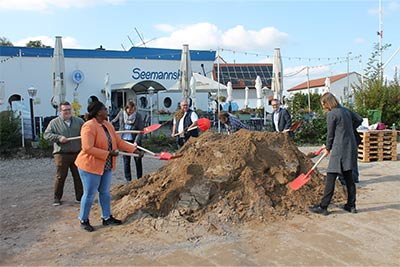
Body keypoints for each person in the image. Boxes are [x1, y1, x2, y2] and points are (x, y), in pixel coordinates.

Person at [75, 101, 138, 232]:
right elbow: (87, 148)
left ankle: (107, 217)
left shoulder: (107, 125)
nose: (107, 110)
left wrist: (133, 150)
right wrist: (108, 153)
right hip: (90, 166)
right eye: (104, 109)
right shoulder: (89, 126)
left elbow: (118, 141)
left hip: (106, 164)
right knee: (89, 194)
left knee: (104, 192)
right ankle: (84, 219)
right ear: (98, 112)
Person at [309, 92, 363, 216]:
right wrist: (349, 128)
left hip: (339, 149)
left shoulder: (332, 114)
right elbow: (359, 119)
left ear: (327, 103)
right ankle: (351, 205)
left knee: (330, 177)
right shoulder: (346, 111)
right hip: (351, 147)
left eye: (323, 104)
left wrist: (328, 148)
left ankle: (323, 207)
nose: (323, 106)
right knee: (349, 177)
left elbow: (330, 134)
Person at [44, 101, 85, 206]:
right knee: (60, 176)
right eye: (65, 110)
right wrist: (58, 138)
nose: (67, 112)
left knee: (78, 176)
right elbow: (47, 135)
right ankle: (57, 198)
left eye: (69, 110)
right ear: (60, 111)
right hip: (62, 154)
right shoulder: (54, 123)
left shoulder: (79, 121)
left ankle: (80, 197)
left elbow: (86, 131)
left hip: (77, 153)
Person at [111, 100, 144, 181]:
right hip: (124, 141)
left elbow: (140, 130)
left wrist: (136, 141)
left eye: (133, 110)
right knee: (126, 161)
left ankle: (140, 178)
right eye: (129, 110)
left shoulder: (138, 116)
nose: (131, 112)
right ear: (126, 108)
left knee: (137, 159)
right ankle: (128, 179)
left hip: (134, 141)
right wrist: (108, 125)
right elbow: (114, 121)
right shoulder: (122, 113)